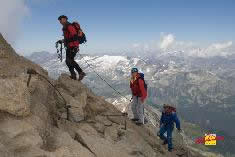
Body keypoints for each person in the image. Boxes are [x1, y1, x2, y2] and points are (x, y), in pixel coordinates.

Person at [57, 15, 86, 81]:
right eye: (59, 21)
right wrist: (62, 41)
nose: (60, 22)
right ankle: (73, 75)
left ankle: (80, 72)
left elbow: (75, 37)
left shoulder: (69, 26)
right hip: (69, 46)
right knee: (68, 61)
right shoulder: (65, 27)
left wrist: (76, 46)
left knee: (69, 60)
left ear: (65, 19)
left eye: (60, 20)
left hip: (72, 46)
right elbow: (68, 38)